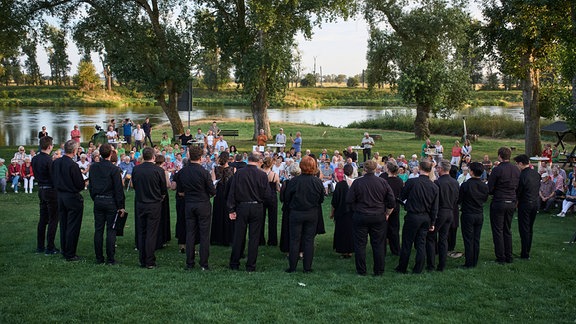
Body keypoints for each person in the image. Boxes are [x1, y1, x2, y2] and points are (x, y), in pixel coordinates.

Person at [346, 160, 395, 276]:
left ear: (364, 170)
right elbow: (392, 201)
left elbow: (348, 200)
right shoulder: (382, 182)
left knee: (360, 245)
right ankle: (379, 271)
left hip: (361, 215)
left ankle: (361, 271)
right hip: (378, 216)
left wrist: (356, 209)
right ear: (376, 169)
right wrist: (387, 213)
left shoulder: (357, 183)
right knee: (378, 244)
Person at [171, 145, 216, 270]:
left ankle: (189, 263)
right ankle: (204, 264)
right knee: (204, 234)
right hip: (203, 204)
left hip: (189, 204)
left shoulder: (182, 172)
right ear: (200, 157)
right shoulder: (204, 172)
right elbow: (212, 191)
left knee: (190, 233)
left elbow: (179, 190)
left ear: (189, 156)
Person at [227, 151, 270, 272]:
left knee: (238, 236)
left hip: (242, 207)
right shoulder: (262, 175)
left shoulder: (239, 173)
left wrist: (231, 209)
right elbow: (267, 194)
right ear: (258, 161)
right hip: (256, 207)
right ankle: (251, 265)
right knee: (254, 237)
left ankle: (234, 263)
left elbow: (232, 192)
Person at [395, 160, 439, 274]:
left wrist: (407, 203)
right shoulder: (434, 187)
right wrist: (432, 223)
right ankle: (418, 268)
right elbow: (435, 208)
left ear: (419, 168)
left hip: (413, 216)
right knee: (421, 243)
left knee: (407, 242)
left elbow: (402, 196)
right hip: (426, 218)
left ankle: (402, 267)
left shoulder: (412, 182)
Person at [284, 156, 325, 273]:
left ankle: (292, 267)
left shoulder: (294, 181)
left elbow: (287, 198)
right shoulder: (317, 182)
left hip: (296, 213)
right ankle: (307, 267)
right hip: (311, 213)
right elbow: (321, 199)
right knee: (308, 240)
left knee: (294, 240)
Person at [87, 143, 125, 265]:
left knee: (98, 229)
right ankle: (110, 258)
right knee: (111, 230)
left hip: (99, 199)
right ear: (110, 154)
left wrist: (95, 197)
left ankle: (99, 257)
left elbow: (91, 186)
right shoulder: (114, 169)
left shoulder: (93, 167)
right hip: (110, 201)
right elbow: (118, 189)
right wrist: (121, 206)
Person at [132, 147, 167, 269]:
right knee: (151, 233)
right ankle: (149, 261)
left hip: (141, 203)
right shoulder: (158, 170)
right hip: (153, 204)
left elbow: (135, 185)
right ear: (153, 157)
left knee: (142, 231)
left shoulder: (136, 169)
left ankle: (143, 259)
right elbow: (163, 189)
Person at [52, 140, 85, 261]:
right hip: (71, 196)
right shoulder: (73, 165)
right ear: (75, 151)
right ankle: (70, 253)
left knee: (64, 223)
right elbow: (79, 184)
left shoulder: (56, 163)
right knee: (73, 225)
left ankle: (64, 249)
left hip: (60, 196)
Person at [425, 160, 459, 271]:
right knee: (443, 238)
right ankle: (442, 265)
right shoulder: (455, 182)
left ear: (441, 169)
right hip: (450, 212)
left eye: (438, 168)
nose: (437, 169)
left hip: (440, 212)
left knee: (430, 237)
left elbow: (434, 200)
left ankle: (431, 265)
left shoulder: (438, 183)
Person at [488, 147, 519, 264]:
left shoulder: (497, 169)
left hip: (499, 201)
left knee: (498, 230)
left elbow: (490, 188)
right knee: (507, 229)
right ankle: (509, 256)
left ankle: (501, 257)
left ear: (499, 156)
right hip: (511, 201)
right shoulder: (516, 169)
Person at [31, 136, 60, 254]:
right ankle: (50, 247)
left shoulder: (35, 159)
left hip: (41, 189)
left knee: (43, 219)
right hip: (50, 190)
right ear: (49, 146)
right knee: (53, 219)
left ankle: (40, 246)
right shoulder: (48, 160)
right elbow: (53, 176)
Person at [458, 162, 489, 268]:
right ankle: (474, 260)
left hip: (468, 214)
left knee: (468, 239)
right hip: (479, 214)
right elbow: (484, 199)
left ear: (471, 172)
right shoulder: (484, 186)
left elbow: (459, 199)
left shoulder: (466, 185)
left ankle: (469, 262)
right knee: (476, 238)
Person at [513, 154, 541, 260]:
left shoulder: (522, 176)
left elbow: (519, 191)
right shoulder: (535, 173)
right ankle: (527, 251)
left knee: (524, 228)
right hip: (535, 202)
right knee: (529, 228)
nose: (516, 166)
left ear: (520, 163)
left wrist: (516, 200)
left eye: (517, 164)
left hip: (525, 203)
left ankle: (524, 253)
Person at [210, 151, 235, 246]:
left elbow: (213, 183)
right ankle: (228, 238)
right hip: (229, 193)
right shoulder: (233, 169)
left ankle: (218, 237)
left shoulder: (215, 169)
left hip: (219, 192)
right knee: (228, 213)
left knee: (218, 213)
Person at [331, 164, 355, 258]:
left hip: (341, 211)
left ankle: (343, 251)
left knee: (342, 231)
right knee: (351, 231)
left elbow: (335, 200)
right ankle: (350, 250)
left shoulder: (340, 185)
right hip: (352, 212)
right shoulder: (355, 184)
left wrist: (332, 212)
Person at [382, 162, 403, 256]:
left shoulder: (384, 180)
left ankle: (382, 250)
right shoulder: (399, 181)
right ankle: (396, 250)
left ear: (388, 169)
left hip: (385, 206)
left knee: (383, 229)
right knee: (394, 229)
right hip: (396, 206)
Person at [260, 156, 280, 246]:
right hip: (272, 197)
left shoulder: (259, 174)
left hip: (261, 197)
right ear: (271, 164)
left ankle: (260, 240)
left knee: (260, 219)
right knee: (273, 220)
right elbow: (278, 188)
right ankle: (272, 240)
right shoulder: (275, 175)